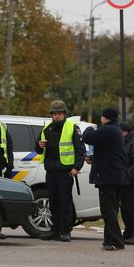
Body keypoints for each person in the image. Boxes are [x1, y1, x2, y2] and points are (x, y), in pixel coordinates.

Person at [34, 100, 85, 242]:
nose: (56, 116)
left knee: (65, 202)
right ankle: (55, 230)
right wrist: (40, 145)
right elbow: (37, 148)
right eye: (54, 114)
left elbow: (80, 150)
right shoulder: (47, 129)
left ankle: (65, 231)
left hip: (65, 171)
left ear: (64, 114)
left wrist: (76, 167)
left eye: (59, 114)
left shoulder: (72, 128)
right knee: (53, 202)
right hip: (51, 170)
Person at [82, 107, 128, 251]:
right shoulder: (116, 130)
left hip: (108, 177)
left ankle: (116, 240)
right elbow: (109, 153)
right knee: (112, 210)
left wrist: (88, 128)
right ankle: (108, 240)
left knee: (108, 211)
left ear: (105, 118)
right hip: (116, 176)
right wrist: (94, 159)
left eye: (101, 117)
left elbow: (87, 137)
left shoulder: (108, 130)